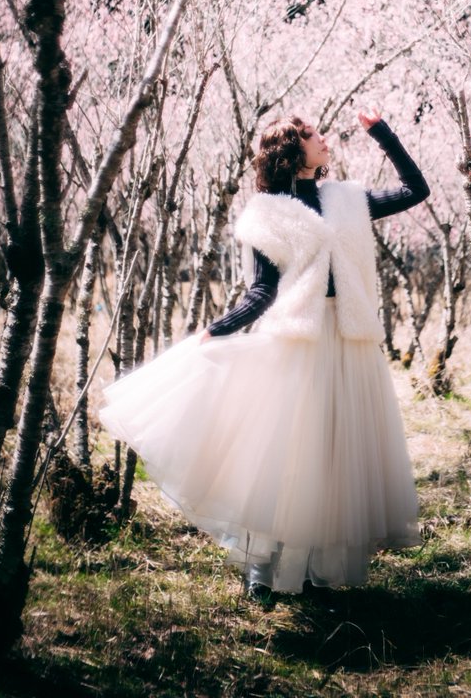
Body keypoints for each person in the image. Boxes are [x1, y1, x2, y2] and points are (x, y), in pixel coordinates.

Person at [99, 107, 429, 600]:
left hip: (350, 340)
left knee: (335, 455)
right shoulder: (265, 214)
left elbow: (415, 190)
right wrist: (218, 329)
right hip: (296, 342)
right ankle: (262, 568)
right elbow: (262, 292)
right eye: (313, 135)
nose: (323, 139)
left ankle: (317, 567)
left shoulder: (347, 198)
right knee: (287, 456)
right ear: (292, 151)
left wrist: (382, 131)